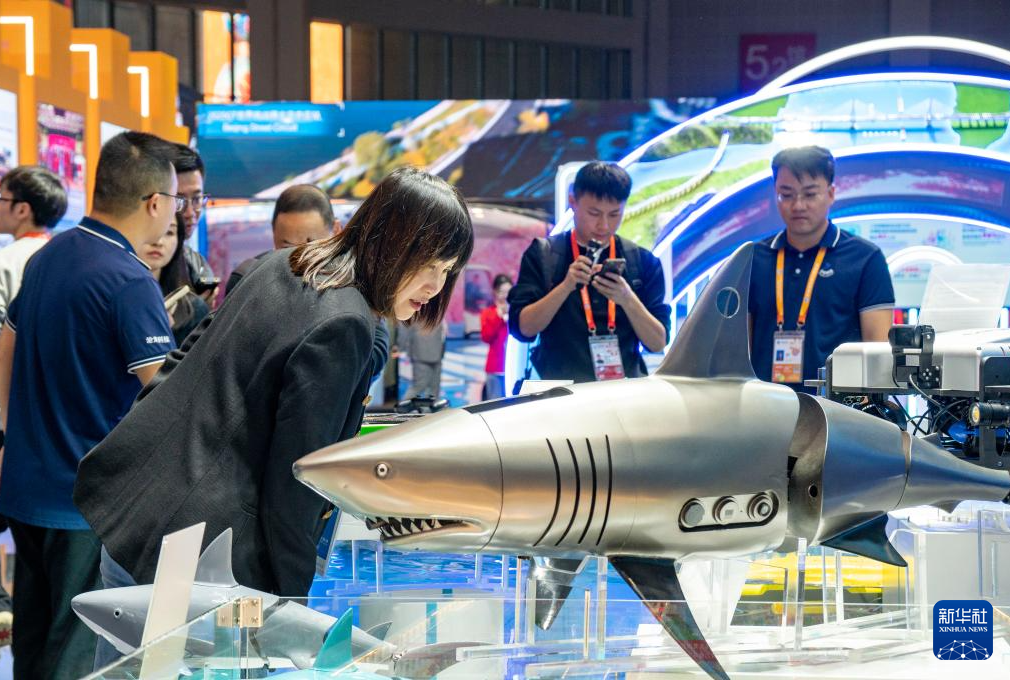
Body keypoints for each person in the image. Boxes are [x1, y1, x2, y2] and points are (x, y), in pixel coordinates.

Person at [73, 169, 472, 634]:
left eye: (447, 271)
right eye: (430, 264)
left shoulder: (281, 263)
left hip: (139, 521)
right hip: (200, 566)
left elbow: (178, 365)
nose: (436, 286)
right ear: (394, 243)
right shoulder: (345, 323)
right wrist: (290, 604)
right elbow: (296, 483)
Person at [0, 131, 178, 678]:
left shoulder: (49, 257)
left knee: (33, 645)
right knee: (79, 655)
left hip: (28, 490)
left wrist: (12, 438)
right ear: (154, 202)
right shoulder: (128, 280)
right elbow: (165, 392)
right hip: (88, 504)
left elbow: (6, 346)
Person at [0, 165, 68, 659]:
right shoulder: (64, 260)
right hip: (54, 425)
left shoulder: (3, 263)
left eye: (1, 200)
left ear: (22, 209)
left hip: (2, 416)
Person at [748, 145, 894, 392]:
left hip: (837, 407)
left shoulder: (865, 258)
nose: (798, 205)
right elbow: (739, 348)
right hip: (765, 404)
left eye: (810, 194)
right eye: (786, 195)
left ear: (831, 193)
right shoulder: (754, 258)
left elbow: (878, 351)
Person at [508, 161, 670, 383]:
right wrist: (565, 287)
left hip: (623, 391)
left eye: (614, 214)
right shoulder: (545, 255)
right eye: (594, 213)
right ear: (572, 201)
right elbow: (523, 329)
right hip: (561, 392)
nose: (604, 225)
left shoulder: (642, 261)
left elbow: (658, 342)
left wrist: (627, 299)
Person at [223, 183, 390, 379]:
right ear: (273, 234)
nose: (299, 257)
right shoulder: (248, 278)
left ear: (336, 230)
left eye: (311, 245)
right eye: (286, 247)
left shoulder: (351, 279)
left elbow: (377, 348)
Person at [139, 213, 210, 347]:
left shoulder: (193, 309)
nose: (158, 242)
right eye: (150, 229)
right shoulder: (111, 297)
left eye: (169, 232)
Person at [171, 143, 219, 301]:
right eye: (179, 200)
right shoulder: (145, 262)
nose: (190, 213)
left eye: (197, 199)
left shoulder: (198, 263)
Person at [480, 274, 512, 399]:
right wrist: (498, 316)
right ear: (495, 292)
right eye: (502, 292)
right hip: (495, 367)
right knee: (494, 403)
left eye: (508, 291)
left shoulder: (517, 313)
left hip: (513, 367)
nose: (505, 295)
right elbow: (486, 337)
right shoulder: (488, 312)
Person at [398, 321, 447, 400]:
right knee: (419, 386)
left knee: (434, 389)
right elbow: (405, 332)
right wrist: (401, 348)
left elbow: (442, 335)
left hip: (436, 355)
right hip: (421, 356)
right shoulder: (416, 316)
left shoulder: (437, 316)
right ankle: (403, 406)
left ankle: (430, 407)